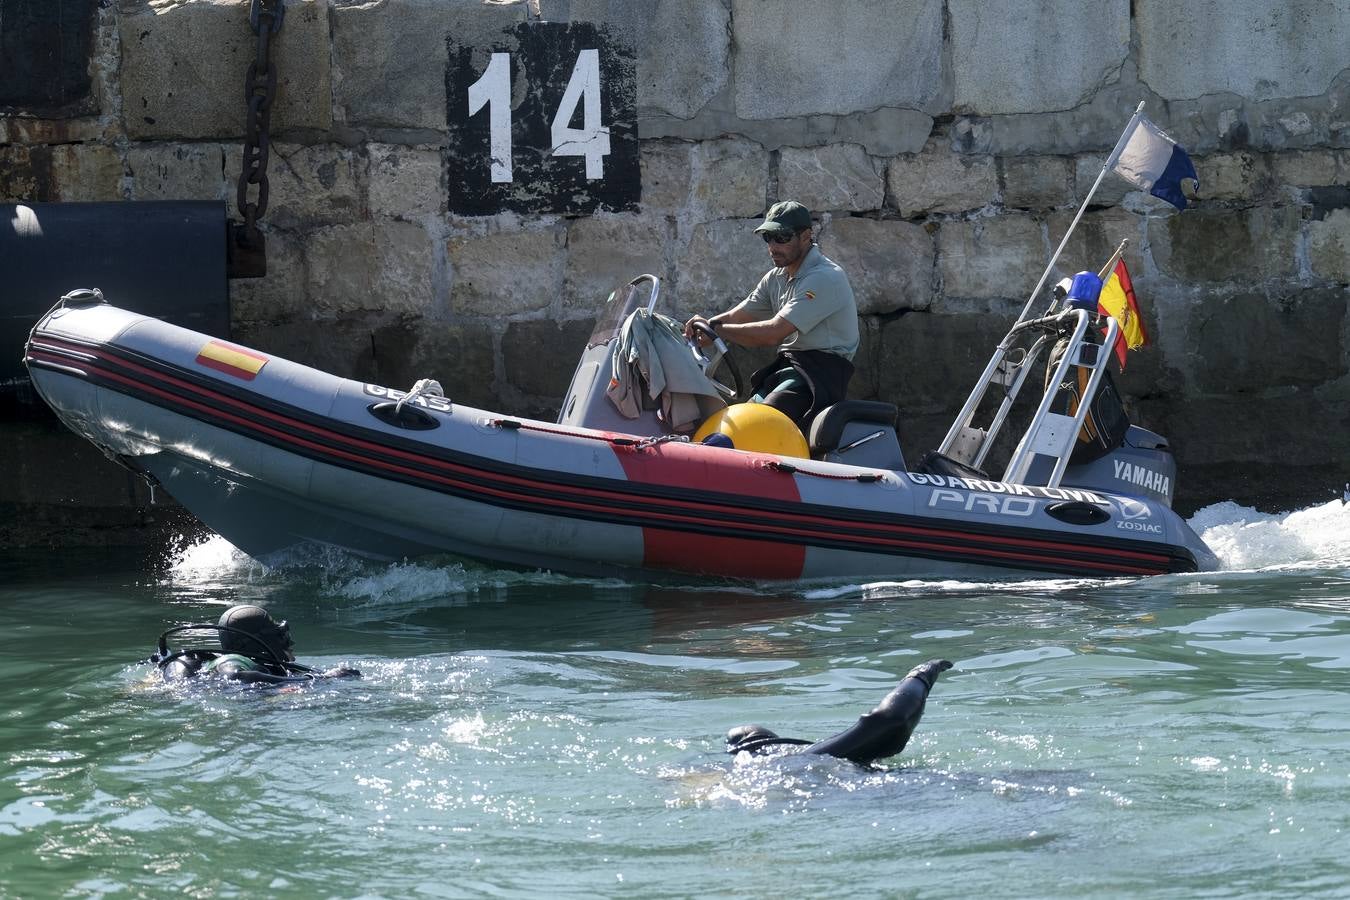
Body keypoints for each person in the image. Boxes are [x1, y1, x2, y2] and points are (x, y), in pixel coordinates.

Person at [684, 200, 859, 432]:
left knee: (758, 426)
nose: (773, 246)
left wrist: (718, 332)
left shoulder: (825, 277)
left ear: (806, 236)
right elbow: (740, 314)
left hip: (820, 375)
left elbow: (773, 333)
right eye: (768, 238)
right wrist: (704, 327)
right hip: (790, 367)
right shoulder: (776, 277)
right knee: (733, 426)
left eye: (782, 237)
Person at [725, 659, 951, 766]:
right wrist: (921, 676)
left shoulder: (793, 762)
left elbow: (891, 722)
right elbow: (890, 719)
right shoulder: (800, 758)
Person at [153, 604, 361, 686]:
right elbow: (233, 676)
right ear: (257, 642)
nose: (289, 645)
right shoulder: (235, 661)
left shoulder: (260, 665)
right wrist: (309, 681)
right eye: (280, 638)